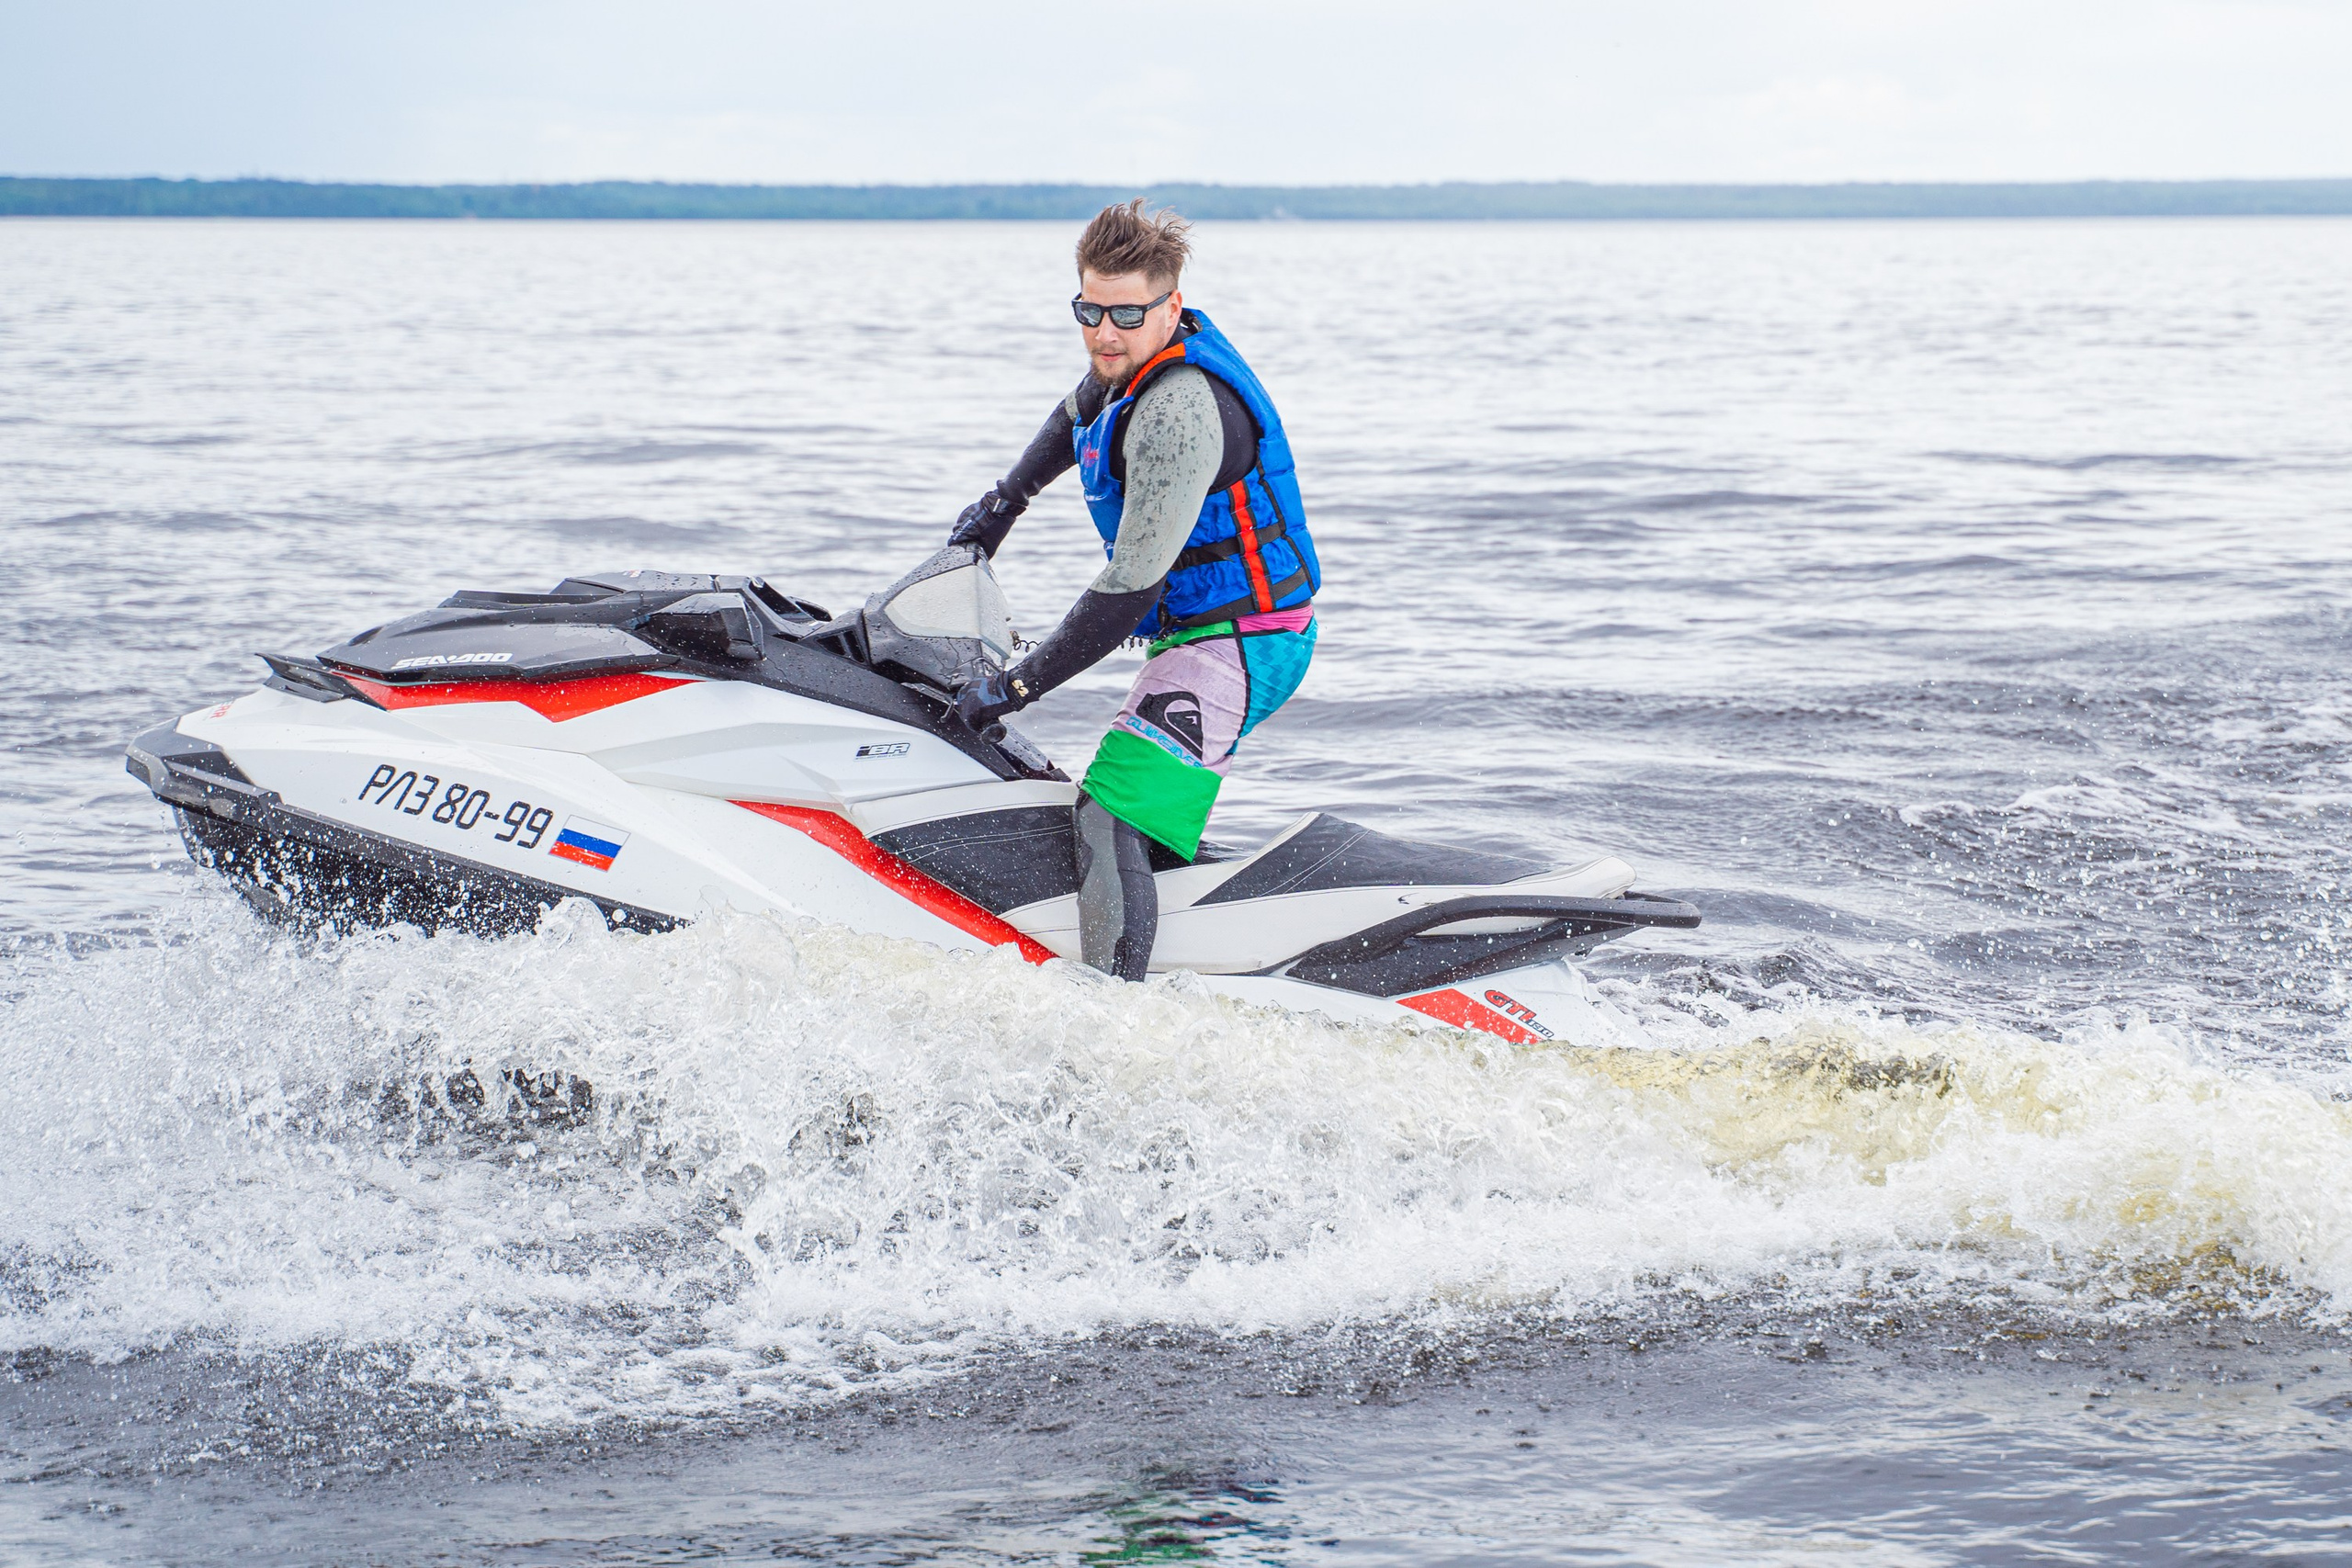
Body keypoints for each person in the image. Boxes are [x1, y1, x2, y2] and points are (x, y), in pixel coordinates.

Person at [949, 200, 1322, 982]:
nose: (1105, 333)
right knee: (1125, 810)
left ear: (1171, 306)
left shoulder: (1182, 411)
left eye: (1126, 313)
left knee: (1108, 811)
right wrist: (1001, 505)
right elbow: (1075, 413)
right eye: (1090, 311)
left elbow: (1127, 588)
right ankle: (1208, 927)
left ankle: (1116, 1016)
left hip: (1248, 639)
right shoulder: (1125, 362)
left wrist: (1014, 687)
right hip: (1199, 629)